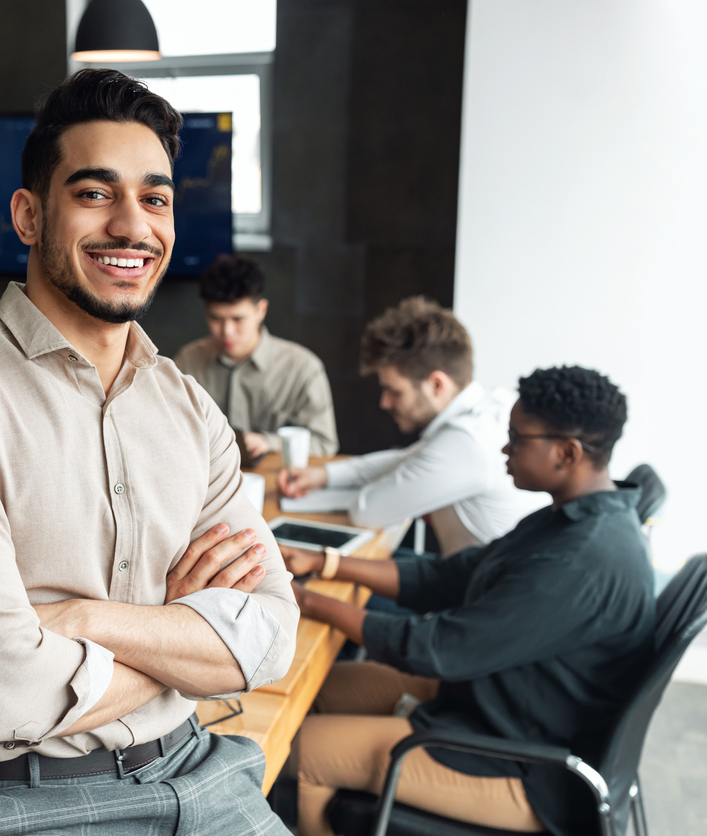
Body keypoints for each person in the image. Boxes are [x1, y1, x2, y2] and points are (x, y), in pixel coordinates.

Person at [0, 69, 298, 836]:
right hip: (36, 803)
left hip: (204, 768)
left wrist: (79, 620)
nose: (132, 226)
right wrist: (177, 627)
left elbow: (267, 641)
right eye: (95, 193)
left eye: (154, 198)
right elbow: (2, 693)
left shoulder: (190, 408)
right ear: (28, 215)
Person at [281, 366, 653, 836]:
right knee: (312, 689)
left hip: (524, 763)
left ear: (567, 452)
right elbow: (455, 574)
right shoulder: (575, 518)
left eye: (517, 439)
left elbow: (437, 649)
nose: (504, 448)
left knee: (298, 751)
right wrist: (328, 563)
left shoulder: (580, 560)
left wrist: (310, 604)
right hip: (495, 702)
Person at [278, 296, 545, 557]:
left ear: (437, 385)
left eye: (394, 392)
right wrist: (324, 476)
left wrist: (372, 492)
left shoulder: (467, 442)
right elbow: (410, 458)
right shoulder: (490, 406)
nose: (384, 402)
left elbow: (368, 512)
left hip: (474, 597)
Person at [175, 254, 338, 460]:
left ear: (261, 310)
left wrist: (268, 442)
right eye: (216, 318)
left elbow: (324, 444)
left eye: (238, 319)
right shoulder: (187, 361)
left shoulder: (303, 368)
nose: (227, 332)